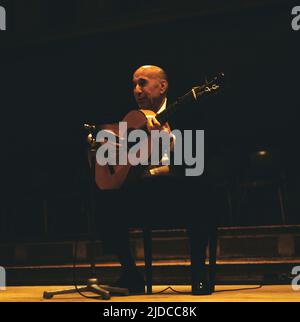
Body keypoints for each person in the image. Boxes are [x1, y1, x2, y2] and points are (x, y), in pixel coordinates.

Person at [95, 65, 214, 295]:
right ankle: (130, 274)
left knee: (198, 190)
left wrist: (173, 146)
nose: (136, 90)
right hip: (142, 193)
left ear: (162, 86)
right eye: (133, 85)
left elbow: (198, 163)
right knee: (105, 197)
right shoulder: (132, 118)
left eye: (142, 83)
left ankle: (199, 272)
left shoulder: (189, 114)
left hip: (179, 190)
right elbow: (119, 157)